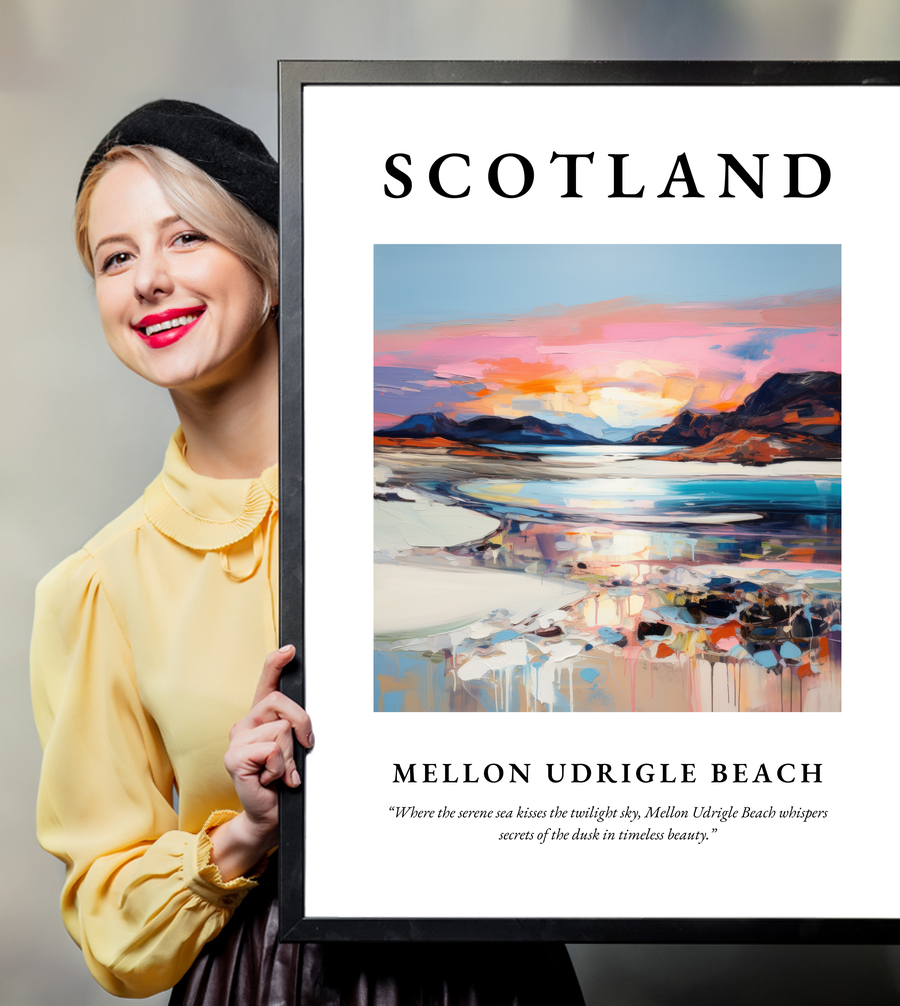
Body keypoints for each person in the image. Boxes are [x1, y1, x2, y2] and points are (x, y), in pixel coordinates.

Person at [30, 100, 585, 1004]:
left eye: (186, 238)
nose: (148, 281)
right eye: (116, 257)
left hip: (493, 973)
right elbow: (110, 924)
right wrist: (245, 832)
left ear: (273, 264)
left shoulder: (456, 504)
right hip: (263, 981)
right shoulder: (98, 587)